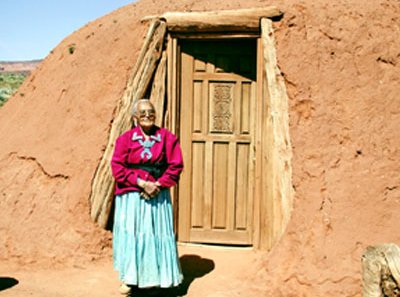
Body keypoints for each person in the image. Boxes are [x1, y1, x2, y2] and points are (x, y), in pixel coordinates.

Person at [111, 99, 184, 295]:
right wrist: (142, 183)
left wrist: (158, 185)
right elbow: (117, 167)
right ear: (135, 118)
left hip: (157, 195)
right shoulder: (124, 140)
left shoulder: (167, 138)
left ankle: (154, 278)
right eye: (142, 113)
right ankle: (130, 278)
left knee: (154, 235)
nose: (147, 116)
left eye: (150, 112)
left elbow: (176, 165)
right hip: (132, 194)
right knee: (132, 235)